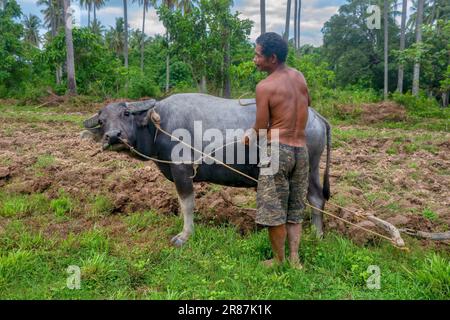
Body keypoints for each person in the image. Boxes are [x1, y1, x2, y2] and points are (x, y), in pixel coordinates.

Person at [243, 32, 310, 269]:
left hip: (277, 152)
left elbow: (261, 127)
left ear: (272, 58)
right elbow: (306, 104)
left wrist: (249, 136)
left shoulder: (265, 86)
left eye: (257, 55)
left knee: (274, 208)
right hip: (302, 151)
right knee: (295, 207)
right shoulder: (299, 76)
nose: (254, 59)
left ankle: (279, 261)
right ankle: (295, 259)